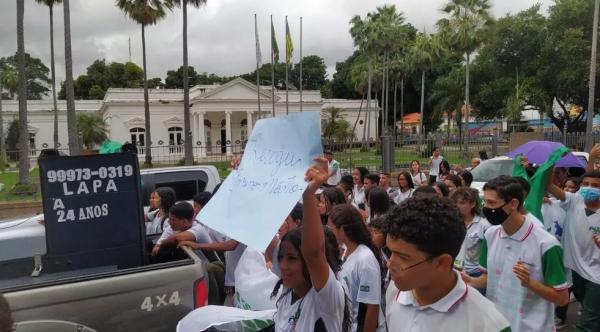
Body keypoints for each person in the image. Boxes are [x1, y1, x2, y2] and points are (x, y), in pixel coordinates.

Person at [384, 195, 510, 331]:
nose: (390, 264)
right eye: (390, 252)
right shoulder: (395, 290)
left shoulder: (489, 325)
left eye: (403, 257)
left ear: (442, 262)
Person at [465, 175, 569, 332]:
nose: (486, 208)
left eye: (492, 203)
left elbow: (562, 298)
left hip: (532, 327)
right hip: (498, 324)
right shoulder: (491, 235)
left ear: (513, 204)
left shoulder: (546, 244)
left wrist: (530, 283)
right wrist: (471, 281)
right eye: (484, 202)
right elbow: (489, 278)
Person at [270, 157, 350, 331]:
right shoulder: (289, 290)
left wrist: (308, 193)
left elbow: (314, 253)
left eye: (292, 258)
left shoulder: (327, 297)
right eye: (281, 257)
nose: (282, 265)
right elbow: (264, 233)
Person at [546, 168, 600, 332]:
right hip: (576, 271)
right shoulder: (575, 201)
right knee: (593, 313)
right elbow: (548, 185)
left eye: (595, 186)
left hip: (597, 277)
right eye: (585, 184)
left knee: (587, 323)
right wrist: (551, 165)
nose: (589, 188)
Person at [328, 204, 385, 332]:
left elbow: (372, 307)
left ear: (342, 230)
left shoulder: (365, 259)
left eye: (331, 227)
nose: (329, 231)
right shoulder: (346, 252)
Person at [449, 188, 491, 281]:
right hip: (454, 271)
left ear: (473, 204)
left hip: (475, 273)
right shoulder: (451, 223)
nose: (457, 206)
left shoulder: (483, 225)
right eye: (455, 203)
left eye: (462, 203)